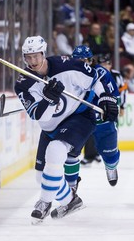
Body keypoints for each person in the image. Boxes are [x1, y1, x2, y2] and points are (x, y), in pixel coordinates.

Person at [14, 37, 118, 222]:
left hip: (78, 116)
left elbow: (95, 78)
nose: (33, 61)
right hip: (50, 127)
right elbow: (41, 116)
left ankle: (44, 203)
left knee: (56, 150)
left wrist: (105, 98)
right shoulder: (23, 83)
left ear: (43, 53)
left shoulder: (67, 65)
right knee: (41, 177)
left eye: (36, 56)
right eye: (28, 57)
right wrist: (48, 99)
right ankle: (71, 201)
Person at [80, 54, 125, 188]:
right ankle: (69, 180)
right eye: (79, 60)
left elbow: (117, 93)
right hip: (81, 115)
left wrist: (118, 105)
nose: (82, 63)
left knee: (109, 147)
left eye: (84, 60)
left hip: (103, 112)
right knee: (67, 149)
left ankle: (110, 164)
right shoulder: (69, 72)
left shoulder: (103, 73)